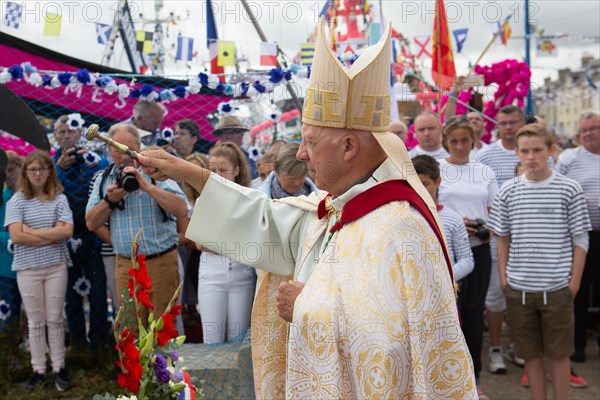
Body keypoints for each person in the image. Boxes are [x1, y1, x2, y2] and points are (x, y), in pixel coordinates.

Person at [136, 18, 476, 399]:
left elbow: (399, 347)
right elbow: (266, 220)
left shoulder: (401, 227)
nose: (299, 154)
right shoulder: (334, 208)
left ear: (348, 148)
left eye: (310, 142)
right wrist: (189, 173)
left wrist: (308, 306)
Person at [487, 124, 592, 400]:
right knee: (530, 355)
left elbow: (580, 239)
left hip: (557, 287)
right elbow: (502, 237)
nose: (531, 156)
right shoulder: (507, 191)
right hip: (519, 288)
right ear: (517, 153)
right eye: (525, 151)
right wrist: (504, 278)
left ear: (551, 150)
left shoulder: (569, 188)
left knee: (559, 355)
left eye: (537, 150)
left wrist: (573, 284)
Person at [85, 124, 187, 322]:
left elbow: (181, 209)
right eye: (117, 150)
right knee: (129, 330)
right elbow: (90, 223)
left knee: (162, 327)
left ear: (138, 148)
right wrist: (110, 201)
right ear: (109, 151)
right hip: (126, 265)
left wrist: (147, 186)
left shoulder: (156, 173)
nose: (124, 156)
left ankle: (163, 355)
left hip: (160, 263)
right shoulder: (103, 179)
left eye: (128, 149)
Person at [436, 117, 498, 399]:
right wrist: (453, 221)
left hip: (478, 249)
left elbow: (494, 212)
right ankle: (445, 379)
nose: (460, 146)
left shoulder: (484, 171)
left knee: (473, 317)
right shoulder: (439, 169)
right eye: (454, 141)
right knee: (446, 317)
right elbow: (430, 206)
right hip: (444, 251)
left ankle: (474, 379)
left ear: (473, 141)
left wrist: (485, 229)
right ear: (445, 143)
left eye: (465, 140)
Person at [5, 151, 74, 392]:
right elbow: (16, 236)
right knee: (35, 322)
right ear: (25, 173)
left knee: (55, 319)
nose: (37, 174)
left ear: (49, 172)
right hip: (27, 269)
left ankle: (58, 367)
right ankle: (38, 369)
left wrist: (31, 233)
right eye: (32, 169)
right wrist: (50, 234)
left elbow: (66, 232)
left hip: (55, 267)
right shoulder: (16, 201)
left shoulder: (59, 199)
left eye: (42, 169)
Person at [52, 114, 109, 347]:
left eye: (70, 131)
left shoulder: (94, 158)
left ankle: (98, 344)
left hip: (94, 238)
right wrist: (59, 170)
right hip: (64, 240)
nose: (66, 136)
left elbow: (106, 177)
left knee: (97, 293)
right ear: (55, 136)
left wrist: (95, 166)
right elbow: (42, 190)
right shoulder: (50, 163)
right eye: (61, 132)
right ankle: (77, 344)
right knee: (70, 296)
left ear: (80, 133)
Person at [478, 105, 527, 373]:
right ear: (497, 125)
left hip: (529, 237)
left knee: (521, 294)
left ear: (521, 122)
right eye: (503, 123)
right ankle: (496, 347)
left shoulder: (535, 150)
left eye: (512, 122)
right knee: (496, 295)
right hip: (499, 237)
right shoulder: (486, 155)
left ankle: (517, 344)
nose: (508, 127)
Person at [196, 142, 254, 344]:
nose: (218, 175)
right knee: (212, 339)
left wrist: (218, 241)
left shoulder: (250, 199)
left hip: (241, 275)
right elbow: (200, 244)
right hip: (211, 275)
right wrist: (234, 242)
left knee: (237, 339)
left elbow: (252, 242)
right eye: (212, 170)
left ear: (236, 170)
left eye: (223, 170)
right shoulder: (204, 198)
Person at [556, 112, 600, 363]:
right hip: (579, 236)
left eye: (593, 128)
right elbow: (557, 189)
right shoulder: (568, 158)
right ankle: (578, 344)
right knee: (579, 291)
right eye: (584, 130)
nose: (589, 134)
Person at [411, 155, 474, 282]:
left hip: (447, 294)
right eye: (414, 184)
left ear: (438, 181)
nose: (419, 190)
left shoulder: (453, 219)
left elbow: (466, 259)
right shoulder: (403, 216)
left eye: (425, 184)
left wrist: (443, 278)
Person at [0, 151, 23, 331]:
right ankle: (9, 349)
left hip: (28, 264)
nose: (9, 174)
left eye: (12, 169)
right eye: (5, 169)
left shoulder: (27, 195)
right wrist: (13, 238)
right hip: (6, 265)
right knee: (8, 311)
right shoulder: (3, 196)